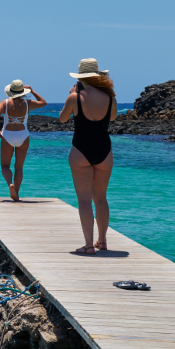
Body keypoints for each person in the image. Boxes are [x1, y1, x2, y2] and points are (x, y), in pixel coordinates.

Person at [58, 58, 115, 255]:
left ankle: (89, 245)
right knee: (101, 199)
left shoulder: (75, 97)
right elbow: (113, 117)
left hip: (80, 149)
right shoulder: (110, 97)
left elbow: (63, 118)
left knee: (84, 200)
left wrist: (72, 95)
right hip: (104, 150)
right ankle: (103, 241)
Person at [0, 80, 46, 202]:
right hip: (23, 135)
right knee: (19, 167)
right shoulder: (28, 103)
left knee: (5, 166)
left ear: (10, 91)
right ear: (23, 92)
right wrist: (32, 91)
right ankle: (16, 194)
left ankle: (10, 184)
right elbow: (44, 102)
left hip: (8, 135)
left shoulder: (5, 102)